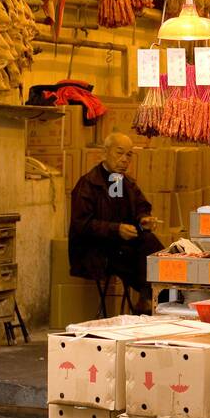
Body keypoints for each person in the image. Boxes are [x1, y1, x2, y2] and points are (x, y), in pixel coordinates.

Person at [69, 133, 162, 314]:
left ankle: (152, 298)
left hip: (119, 244)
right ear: (104, 153)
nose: (124, 160)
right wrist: (116, 229)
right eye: (119, 153)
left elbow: (139, 207)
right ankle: (151, 299)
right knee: (137, 256)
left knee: (152, 244)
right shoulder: (88, 184)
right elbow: (81, 224)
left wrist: (144, 219)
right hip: (96, 250)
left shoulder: (122, 182)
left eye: (129, 155)